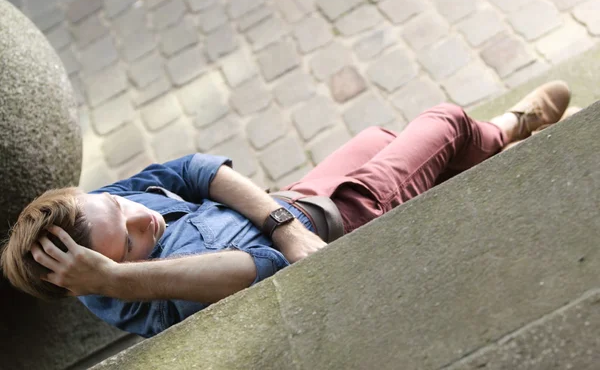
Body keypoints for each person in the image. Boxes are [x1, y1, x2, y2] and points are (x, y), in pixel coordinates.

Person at [1, 81, 571, 338]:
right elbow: (261, 267)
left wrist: (279, 221)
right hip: (351, 217)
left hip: (303, 197)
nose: (141, 218)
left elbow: (192, 169)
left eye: (119, 205)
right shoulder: (152, 287)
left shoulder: (99, 213)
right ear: (99, 274)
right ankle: (510, 131)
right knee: (446, 122)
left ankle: (479, 159)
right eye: (129, 242)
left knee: (378, 135)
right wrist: (125, 278)